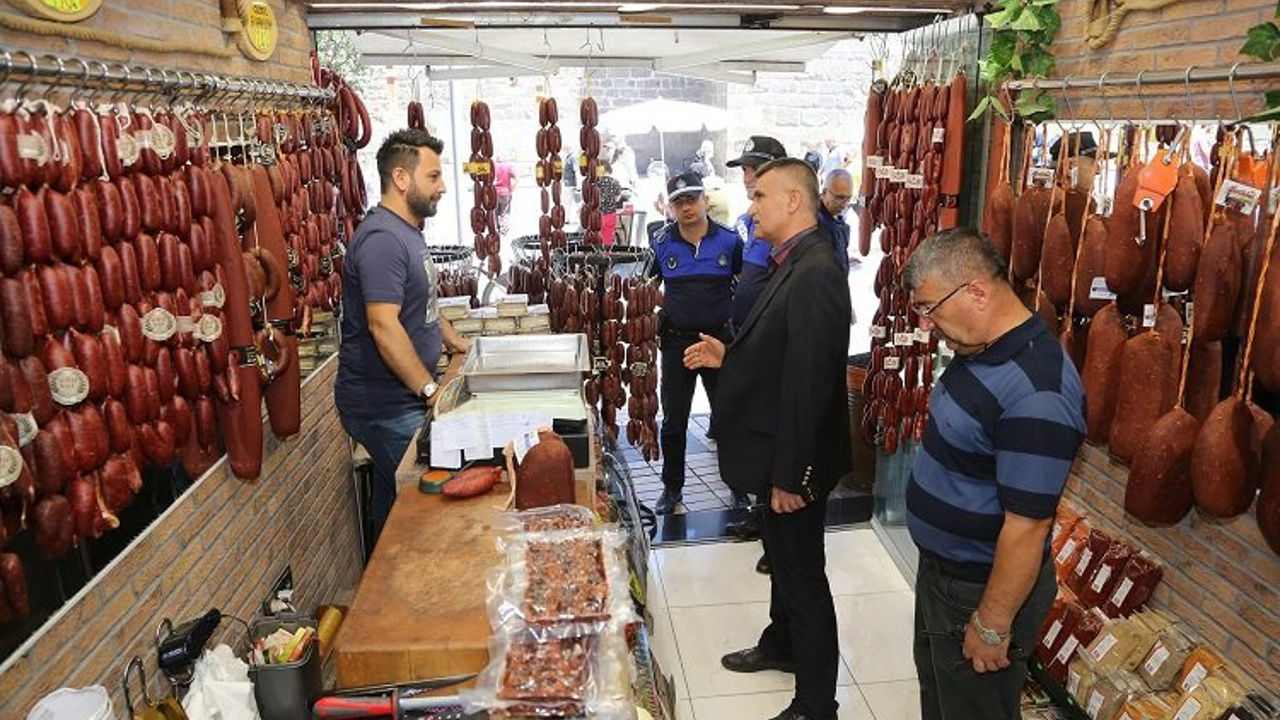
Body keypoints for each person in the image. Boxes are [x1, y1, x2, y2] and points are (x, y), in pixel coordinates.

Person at [683, 158, 851, 720]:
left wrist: (791, 477)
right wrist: (727, 357)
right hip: (776, 449)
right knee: (783, 563)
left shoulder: (818, 270)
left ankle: (816, 703)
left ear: (794, 202)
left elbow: (811, 385)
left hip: (794, 462)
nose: (750, 208)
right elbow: (782, 356)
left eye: (759, 197)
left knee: (803, 577)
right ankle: (781, 646)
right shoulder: (791, 262)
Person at [901, 228, 1086, 720]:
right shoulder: (982, 349)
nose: (928, 323)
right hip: (946, 577)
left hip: (977, 590)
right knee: (940, 703)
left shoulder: (1037, 395)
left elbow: (1027, 527)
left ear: (977, 292)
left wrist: (991, 624)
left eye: (929, 308)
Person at [335, 128, 473, 544]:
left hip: (399, 400)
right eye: (432, 177)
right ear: (400, 178)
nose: (443, 187)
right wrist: (430, 389)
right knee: (428, 502)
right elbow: (383, 325)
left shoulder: (406, 232)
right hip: (386, 406)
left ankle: (379, 582)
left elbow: (420, 301)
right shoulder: (381, 240)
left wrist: (452, 340)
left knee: (392, 497)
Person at [649, 172, 742, 514]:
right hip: (678, 344)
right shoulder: (660, 242)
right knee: (674, 421)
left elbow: (743, 283)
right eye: (679, 202)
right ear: (671, 208)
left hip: (719, 342)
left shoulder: (730, 241)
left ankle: (739, 486)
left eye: (692, 199)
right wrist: (669, 306)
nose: (686, 207)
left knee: (730, 417)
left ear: (705, 199)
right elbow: (644, 287)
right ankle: (672, 489)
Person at [724, 134, 788, 566]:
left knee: (773, 441)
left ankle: (776, 536)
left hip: (772, 351)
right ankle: (759, 514)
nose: (746, 177)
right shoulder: (752, 220)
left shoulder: (791, 225)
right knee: (751, 436)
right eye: (745, 170)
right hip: (746, 340)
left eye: (753, 169)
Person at [817, 168, 853, 268]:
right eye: (840, 198)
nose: (844, 204)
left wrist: (844, 259)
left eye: (848, 199)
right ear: (824, 192)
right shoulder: (814, 223)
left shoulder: (839, 221)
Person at [597, 161, 624, 246]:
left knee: (596, 238)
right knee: (608, 238)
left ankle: (596, 256)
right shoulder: (615, 182)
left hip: (598, 214)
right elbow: (618, 198)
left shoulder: (597, 183)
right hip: (611, 214)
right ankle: (607, 255)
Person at [493, 158, 517, 234]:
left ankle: (496, 228)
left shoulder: (493, 166)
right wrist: (512, 188)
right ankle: (504, 229)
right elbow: (516, 178)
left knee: (494, 212)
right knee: (505, 212)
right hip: (505, 193)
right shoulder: (508, 166)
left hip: (494, 192)